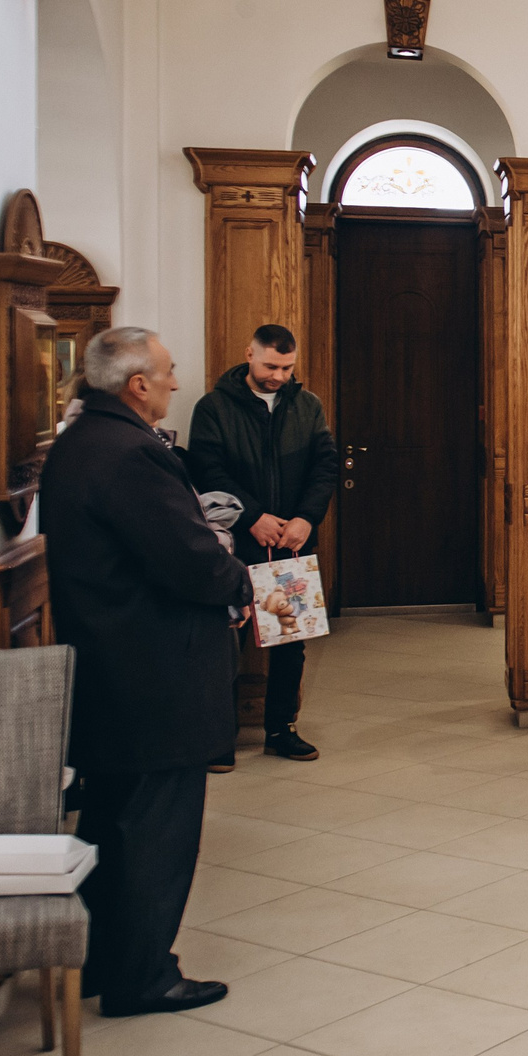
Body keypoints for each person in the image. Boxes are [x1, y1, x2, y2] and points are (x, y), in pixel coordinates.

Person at [41, 326, 249, 1018]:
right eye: (166, 373)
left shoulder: (78, 443)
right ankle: (144, 974)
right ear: (136, 384)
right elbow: (185, 555)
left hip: (108, 666)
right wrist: (236, 581)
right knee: (155, 828)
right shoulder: (131, 453)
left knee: (108, 820)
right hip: (152, 673)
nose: (173, 383)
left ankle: (102, 960)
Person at [184, 323, 338, 767]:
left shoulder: (307, 406)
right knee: (227, 641)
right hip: (233, 541)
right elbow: (207, 470)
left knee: (291, 639)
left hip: (292, 543)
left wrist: (306, 518)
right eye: (271, 365)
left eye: (287, 367)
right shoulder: (212, 407)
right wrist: (252, 517)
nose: (279, 376)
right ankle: (219, 738)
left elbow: (324, 467)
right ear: (248, 353)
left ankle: (281, 731)